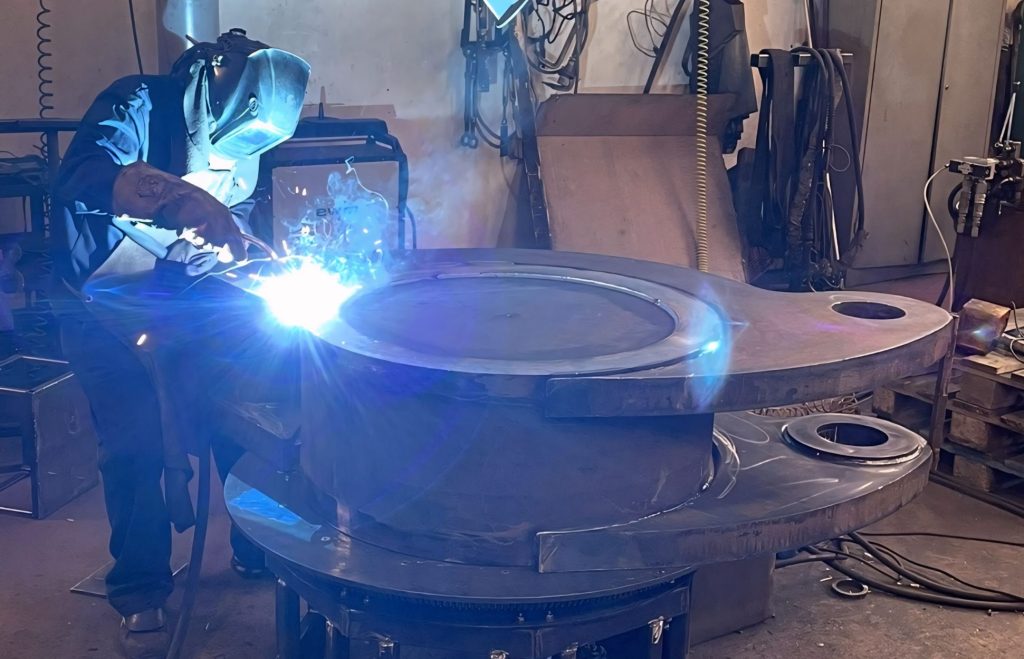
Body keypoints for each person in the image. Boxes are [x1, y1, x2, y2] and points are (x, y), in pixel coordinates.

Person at [51, 28, 309, 657]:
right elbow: (82, 176)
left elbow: (234, 215)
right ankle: (140, 592)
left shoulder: (248, 144)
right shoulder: (138, 103)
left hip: (187, 300)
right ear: (216, 90)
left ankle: (259, 547)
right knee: (136, 445)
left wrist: (244, 255)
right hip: (103, 304)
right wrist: (175, 198)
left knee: (248, 420)